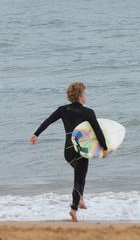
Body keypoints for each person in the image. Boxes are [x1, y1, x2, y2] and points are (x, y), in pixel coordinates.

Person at [30, 81, 109, 222]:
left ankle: (81, 199)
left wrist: (36, 134)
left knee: (80, 174)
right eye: (85, 93)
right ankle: (74, 208)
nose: (86, 95)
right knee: (79, 178)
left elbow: (48, 121)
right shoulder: (88, 112)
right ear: (80, 95)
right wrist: (105, 148)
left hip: (68, 151)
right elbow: (98, 132)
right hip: (81, 149)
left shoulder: (63, 110)